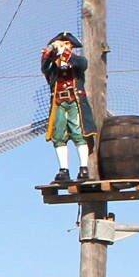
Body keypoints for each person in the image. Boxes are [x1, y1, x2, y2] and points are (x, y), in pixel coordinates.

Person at [40, 31, 94, 188]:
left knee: (79, 132)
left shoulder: (76, 60)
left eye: (66, 43)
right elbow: (45, 69)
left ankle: (84, 168)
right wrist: (50, 54)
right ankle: (64, 169)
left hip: (74, 101)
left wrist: (67, 54)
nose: (63, 46)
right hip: (59, 101)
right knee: (58, 136)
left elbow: (82, 64)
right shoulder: (53, 63)